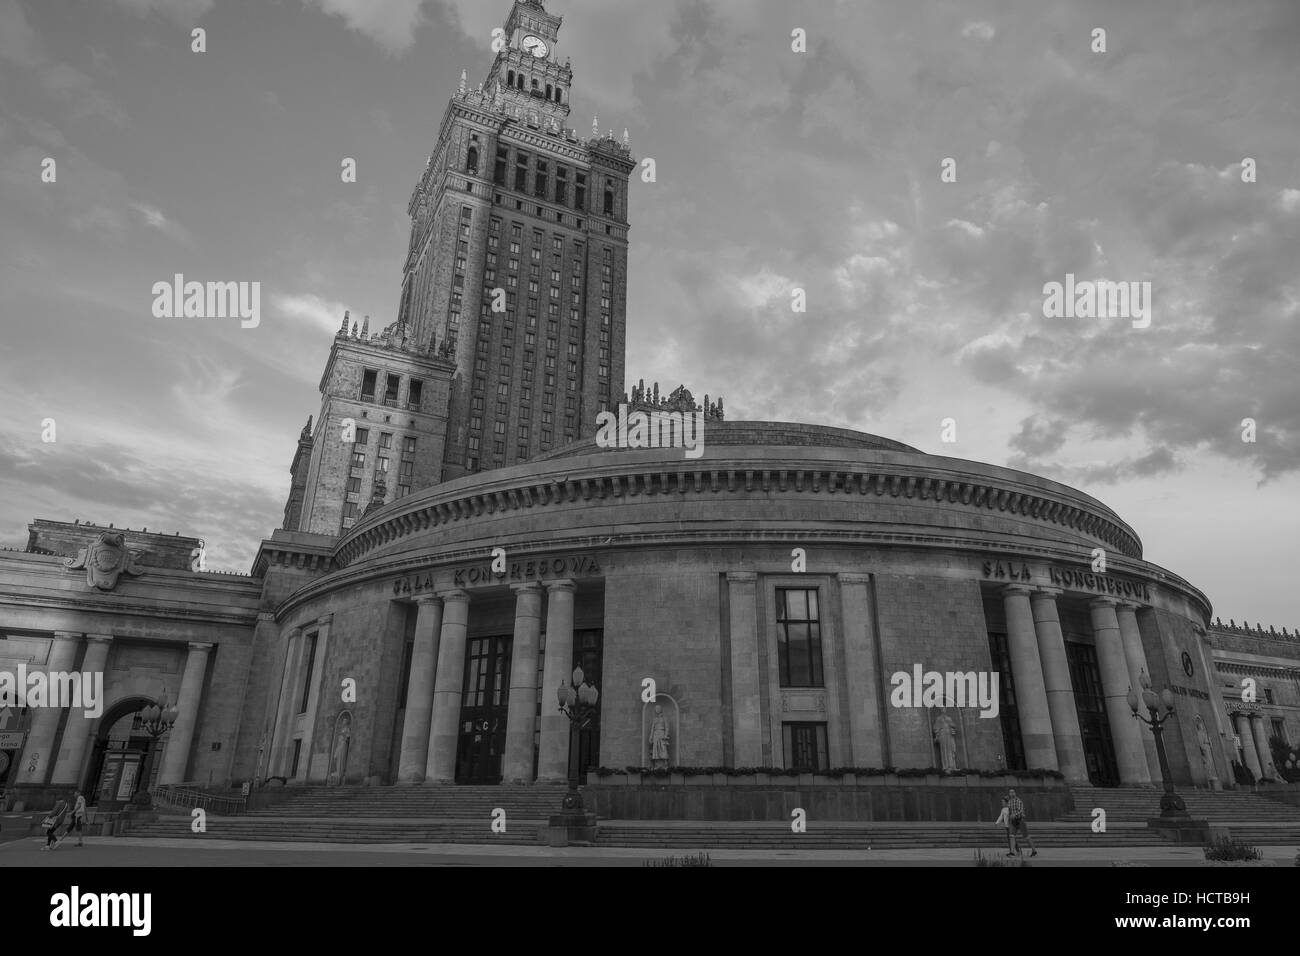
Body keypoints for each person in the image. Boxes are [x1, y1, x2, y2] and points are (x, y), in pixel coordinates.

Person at [1006, 788, 1038, 857]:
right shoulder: (1009, 802)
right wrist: (1009, 816)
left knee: (1026, 836)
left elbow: (1021, 810)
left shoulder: (1018, 801)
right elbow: (1009, 811)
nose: (1011, 793)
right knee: (1011, 836)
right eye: (1010, 792)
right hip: (1013, 821)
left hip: (1020, 820)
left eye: (1013, 792)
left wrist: (1015, 815)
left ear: (1015, 793)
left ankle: (1034, 851)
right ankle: (1012, 852)